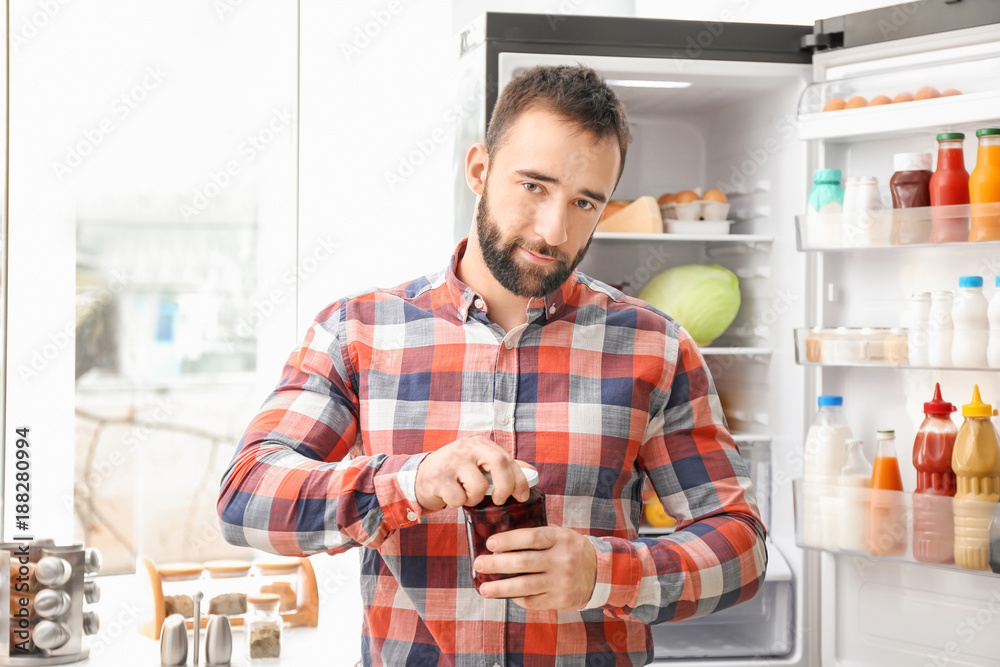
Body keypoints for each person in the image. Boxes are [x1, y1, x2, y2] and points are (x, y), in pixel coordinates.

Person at [219, 64, 766, 666]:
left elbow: (741, 546)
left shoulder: (654, 345)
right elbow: (246, 499)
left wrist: (605, 573)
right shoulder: (358, 331)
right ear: (479, 170)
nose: (554, 229)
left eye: (585, 201)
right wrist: (411, 482)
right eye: (534, 185)